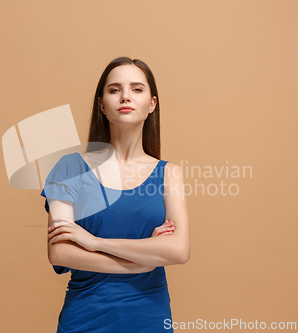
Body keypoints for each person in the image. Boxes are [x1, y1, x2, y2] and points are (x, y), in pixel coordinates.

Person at [40, 56, 190, 332]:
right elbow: (60, 252)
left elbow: (178, 250)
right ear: (101, 105)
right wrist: (141, 262)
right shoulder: (70, 168)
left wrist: (94, 242)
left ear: (152, 104)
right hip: (85, 318)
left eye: (136, 89)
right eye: (114, 89)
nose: (125, 97)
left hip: (150, 318)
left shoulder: (169, 173)